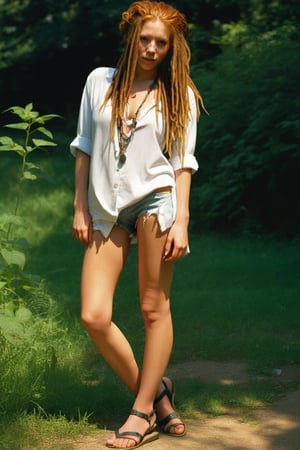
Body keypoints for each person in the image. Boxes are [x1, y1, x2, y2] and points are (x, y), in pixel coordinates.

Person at [71, 1, 204, 448]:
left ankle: (141, 412)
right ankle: (157, 396)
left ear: (172, 47)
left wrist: (181, 220)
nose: (151, 49)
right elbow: (85, 147)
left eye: (161, 43)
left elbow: (183, 164)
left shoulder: (178, 93)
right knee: (94, 314)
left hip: (155, 203)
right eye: (145, 39)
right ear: (130, 37)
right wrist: (79, 207)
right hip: (106, 206)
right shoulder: (99, 81)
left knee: (153, 309)